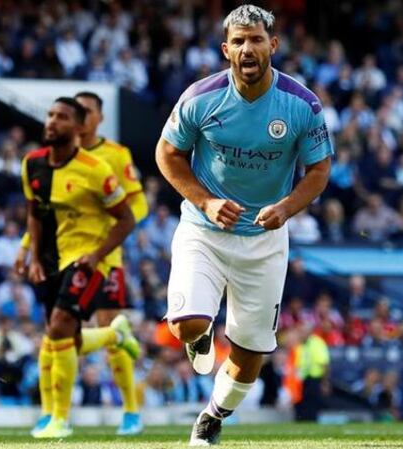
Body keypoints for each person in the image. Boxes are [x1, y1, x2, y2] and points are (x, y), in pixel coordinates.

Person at [155, 5, 332, 445]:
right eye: (238, 41)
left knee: (251, 354)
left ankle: (213, 416)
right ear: (225, 49)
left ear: (273, 45)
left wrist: (287, 208)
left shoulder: (301, 104)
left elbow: (319, 169)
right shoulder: (200, 98)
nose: (247, 48)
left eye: (255, 39)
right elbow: (167, 154)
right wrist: (206, 201)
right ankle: (200, 339)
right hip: (205, 230)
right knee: (188, 324)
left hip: (265, 238)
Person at [19, 97, 139, 438]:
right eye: (50, 115)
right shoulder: (31, 164)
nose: (52, 122)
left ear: (80, 125)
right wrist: (30, 252)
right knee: (61, 338)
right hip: (52, 260)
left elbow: (127, 217)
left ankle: (60, 419)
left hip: (89, 258)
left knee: (58, 328)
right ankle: (116, 334)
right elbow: (35, 213)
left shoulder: (99, 167)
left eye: (62, 117)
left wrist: (99, 253)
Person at [71, 91, 148, 435]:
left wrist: (121, 228)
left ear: (100, 118)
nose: (80, 117)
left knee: (101, 320)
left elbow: (139, 203)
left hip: (106, 254)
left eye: (87, 111)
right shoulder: (60, 155)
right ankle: (56, 413)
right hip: (66, 253)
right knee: (60, 330)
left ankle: (131, 411)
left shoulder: (116, 155)